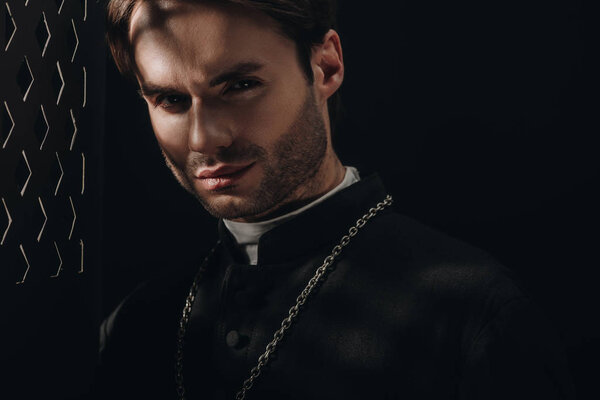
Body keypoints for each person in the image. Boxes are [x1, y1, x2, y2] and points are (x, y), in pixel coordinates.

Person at [97, 1, 573, 399]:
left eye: (239, 86)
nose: (206, 138)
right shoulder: (135, 326)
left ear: (326, 66)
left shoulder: (473, 317)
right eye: (171, 101)